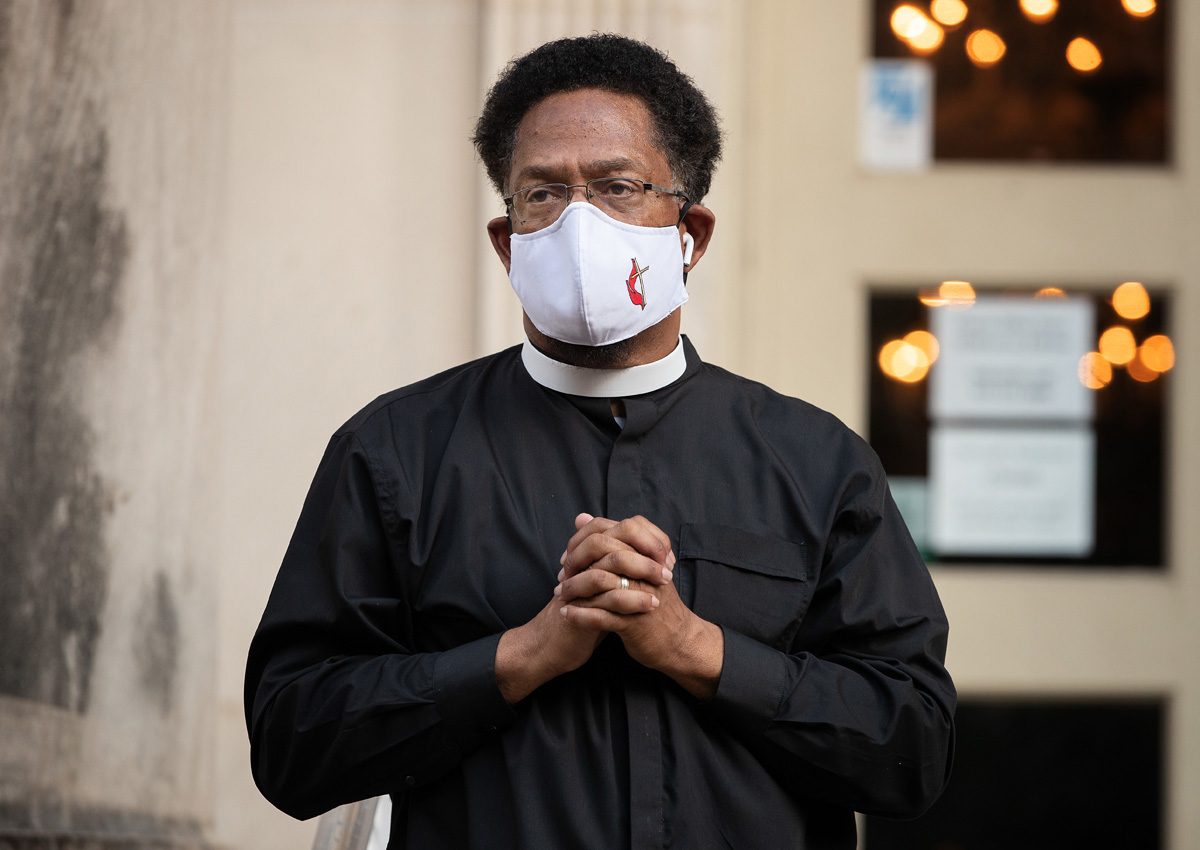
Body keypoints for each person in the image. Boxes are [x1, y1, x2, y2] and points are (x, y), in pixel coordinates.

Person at [245, 33, 955, 850]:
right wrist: (519, 656)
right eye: (542, 194)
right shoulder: (396, 452)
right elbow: (292, 742)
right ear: (508, 243)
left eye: (617, 187)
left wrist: (696, 647)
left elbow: (913, 751)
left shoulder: (817, 462)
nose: (578, 222)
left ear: (690, 233)